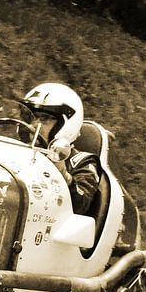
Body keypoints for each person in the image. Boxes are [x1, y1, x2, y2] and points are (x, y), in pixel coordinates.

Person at [21, 82, 100, 214]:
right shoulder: (19, 150)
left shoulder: (83, 162)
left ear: (66, 124)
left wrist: (63, 175)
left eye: (45, 119)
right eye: (32, 117)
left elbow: (80, 205)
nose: (34, 125)